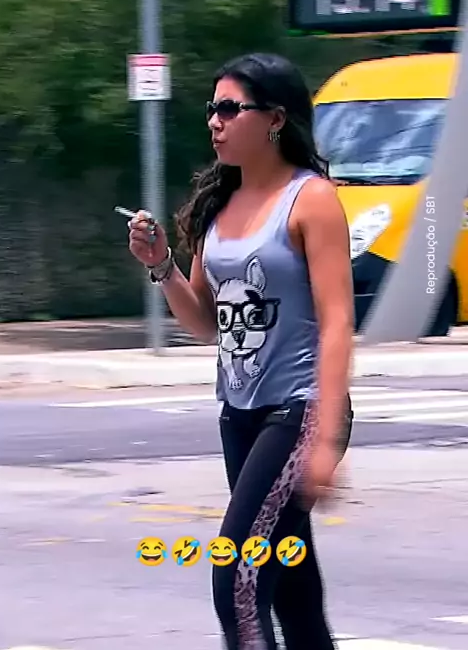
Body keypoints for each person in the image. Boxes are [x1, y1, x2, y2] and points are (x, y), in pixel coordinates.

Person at [128, 52, 354, 649]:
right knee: (292, 589)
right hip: (240, 414)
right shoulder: (218, 207)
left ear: (275, 119)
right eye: (213, 108)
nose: (215, 121)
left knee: (238, 583)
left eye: (230, 109)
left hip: (299, 412)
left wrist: (327, 436)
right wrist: (162, 265)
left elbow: (337, 322)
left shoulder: (311, 200)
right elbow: (206, 324)